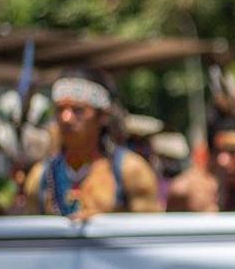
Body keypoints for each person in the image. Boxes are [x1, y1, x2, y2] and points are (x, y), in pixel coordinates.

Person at [25, 68, 161, 218]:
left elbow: (150, 232)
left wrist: (102, 225)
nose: (66, 118)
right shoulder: (40, 176)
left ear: (103, 116)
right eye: (60, 109)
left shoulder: (131, 171)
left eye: (78, 110)